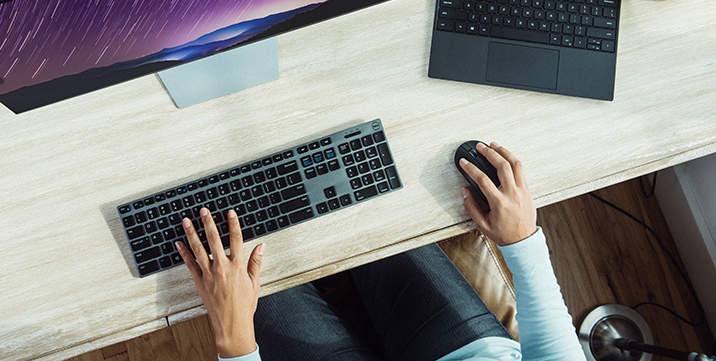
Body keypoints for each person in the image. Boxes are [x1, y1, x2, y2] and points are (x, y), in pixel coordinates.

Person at [175, 142, 587, 361]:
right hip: (465, 353)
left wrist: (235, 342)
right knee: (367, 198)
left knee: (237, 252)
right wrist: (523, 241)